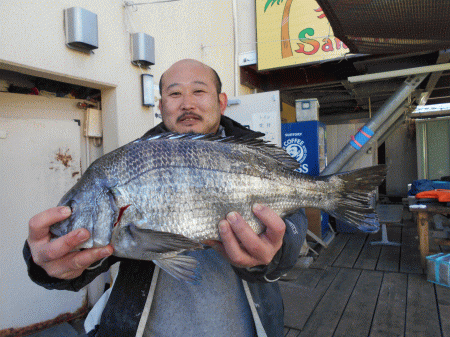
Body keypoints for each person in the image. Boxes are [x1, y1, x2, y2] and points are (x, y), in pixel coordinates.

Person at [23, 59, 307, 337]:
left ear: (221, 101)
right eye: (174, 93)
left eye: (198, 91)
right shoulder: (127, 164)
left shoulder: (253, 154)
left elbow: (294, 224)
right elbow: (93, 256)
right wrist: (49, 261)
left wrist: (274, 252)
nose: (187, 103)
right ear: (160, 106)